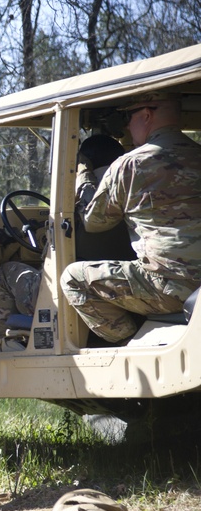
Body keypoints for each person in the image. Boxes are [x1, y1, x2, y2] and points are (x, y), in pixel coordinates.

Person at [62, 92, 201, 344]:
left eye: (128, 117)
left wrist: (83, 175)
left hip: (169, 286)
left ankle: (127, 345)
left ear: (146, 115)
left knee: (72, 278)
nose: (126, 126)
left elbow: (93, 222)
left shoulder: (131, 164)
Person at [0, 135, 126, 350]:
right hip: (119, 285)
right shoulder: (131, 189)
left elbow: (53, 253)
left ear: (83, 163)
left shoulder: (82, 201)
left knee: (4, 273)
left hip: (71, 291)